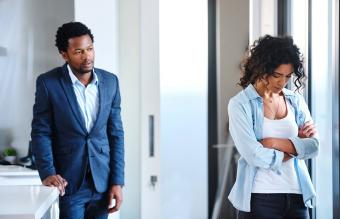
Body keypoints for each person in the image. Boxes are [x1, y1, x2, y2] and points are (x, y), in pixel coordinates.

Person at [31, 21, 124, 218]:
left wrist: (117, 181)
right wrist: (48, 173)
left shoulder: (110, 82)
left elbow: (116, 134)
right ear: (64, 54)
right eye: (78, 51)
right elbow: (41, 132)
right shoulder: (48, 83)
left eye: (90, 49)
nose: (87, 56)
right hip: (68, 183)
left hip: (102, 183)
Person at [227, 35, 319, 219]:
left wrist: (273, 142)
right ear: (262, 69)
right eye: (277, 75)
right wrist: (295, 146)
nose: (282, 82)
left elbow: (313, 146)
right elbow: (254, 156)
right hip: (260, 198)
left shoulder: (295, 100)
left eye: (288, 76)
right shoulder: (240, 104)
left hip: (297, 195)